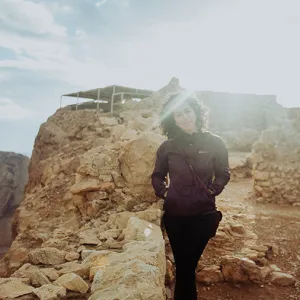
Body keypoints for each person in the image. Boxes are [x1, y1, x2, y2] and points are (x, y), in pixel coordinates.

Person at [151, 91, 230, 300]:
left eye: (187, 111)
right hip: (175, 216)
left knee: (187, 265)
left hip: (203, 215)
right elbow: (157, 175)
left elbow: (223, 172)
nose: (184, 117)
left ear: (195, 112)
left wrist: (214, 189)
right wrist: (165, 193)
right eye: (178, 115)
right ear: (173, 120)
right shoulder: (167, 147)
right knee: (185, 267)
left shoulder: (215, 142)